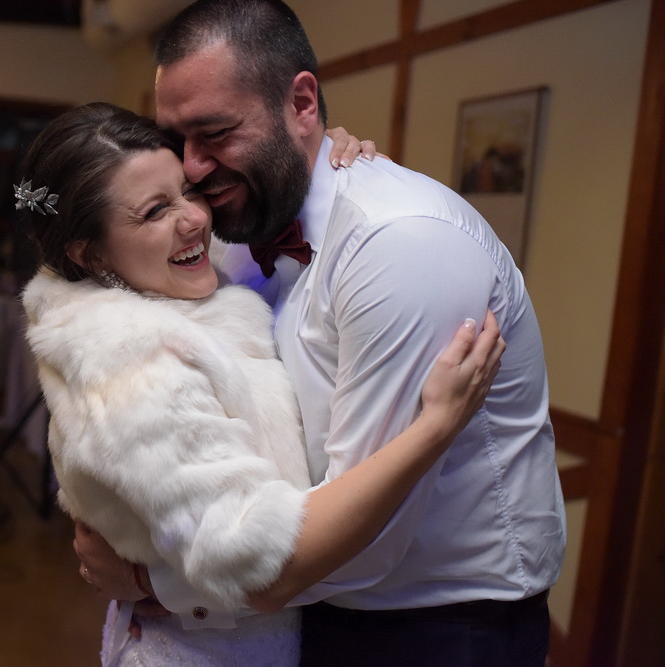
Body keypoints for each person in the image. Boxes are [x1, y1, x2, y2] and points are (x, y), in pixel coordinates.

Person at [75, 2, 567, 665]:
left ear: (302, 104)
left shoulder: (400, 245)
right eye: (176, 140)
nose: (190, 168)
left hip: (436, 629)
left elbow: (367, 538)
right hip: (308, 610)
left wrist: (156, 583)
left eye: (215, 131)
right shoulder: (243, 226)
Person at [20, 102, 503, 666]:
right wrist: (435, 427)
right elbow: (252, 556)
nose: (195, 218)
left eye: (187, 190)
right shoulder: (134, 359)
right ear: (91, 254)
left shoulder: (170, 289)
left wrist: (319, 157)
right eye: (154, 211)